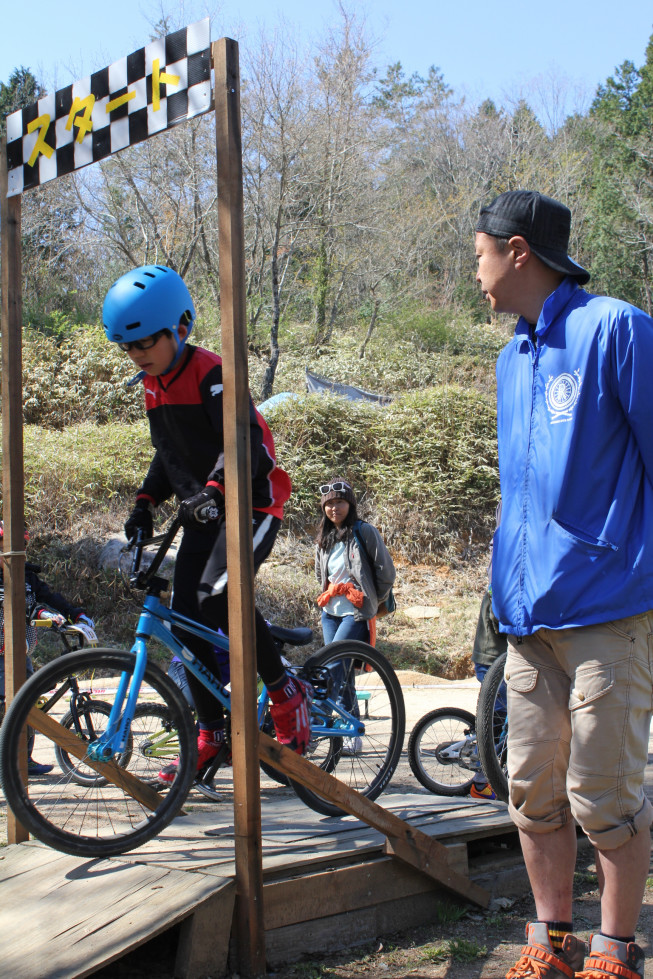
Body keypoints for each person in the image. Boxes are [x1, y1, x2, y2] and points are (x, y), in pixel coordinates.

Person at [475, 189, 653, 979]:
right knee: (530, 792)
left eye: (478, 253)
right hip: (522, 615)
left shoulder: (615, 328)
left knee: (601, 792)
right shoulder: (510, 360)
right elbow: (521, 494)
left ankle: (615, 948)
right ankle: (550, 941)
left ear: (517, 251)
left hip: (605, 605)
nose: (473, 271)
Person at [102, 265, 312, 782]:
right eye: (128, 348)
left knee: (217, 597)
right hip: (204, 515)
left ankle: (286, 692)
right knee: (182, 617)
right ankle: (212, 731)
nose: (138, 355)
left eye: (147, 342)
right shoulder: (153, 387)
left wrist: (216, 490)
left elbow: (243, 444)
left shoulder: (213, 374)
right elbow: (167, 455)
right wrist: (145, 502)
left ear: (181, 326)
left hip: (255, 505)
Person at [0, 521, 95, 776]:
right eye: (8, 545)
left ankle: (25, 760)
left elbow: (49, 598)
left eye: (21, 545)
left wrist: (76, 613)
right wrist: (40, 613)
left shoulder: (27, 575)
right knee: (8, 706)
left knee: (28, 703)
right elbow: (17, 606)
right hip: (1, 656)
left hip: (21, 652)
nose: (15, 550)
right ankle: (5, 763)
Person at [315, 480, 395, 754]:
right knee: (344, 673)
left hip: (355, 612)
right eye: (329, 504)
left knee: (334, 666)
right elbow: (320, 574)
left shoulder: (364, 532)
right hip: (330, 613)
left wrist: (372, 600)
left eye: (339, 502)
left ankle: (316, 719)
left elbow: (386, 573)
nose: (334, 508)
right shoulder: (324, 537)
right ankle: (352, 732)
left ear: (350, 504)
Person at [468, 584, 507, 800]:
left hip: (498, 658)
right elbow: (499, 620)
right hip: (492, 659)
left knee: (504, 716)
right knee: (498, 717)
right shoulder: (498, 588)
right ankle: (481, 782)